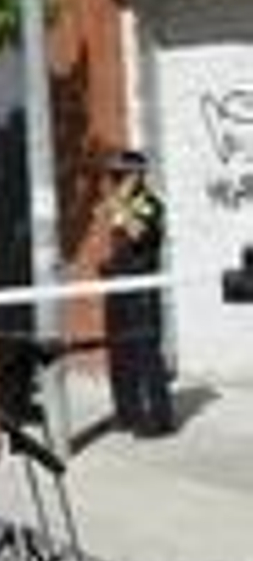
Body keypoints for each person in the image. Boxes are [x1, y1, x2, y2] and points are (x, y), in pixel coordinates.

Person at [101, 148, 172, 438]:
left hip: (141, 286)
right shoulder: (122, 203)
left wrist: (119, 202)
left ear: (137, 175)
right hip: (118, 284)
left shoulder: (150, 204)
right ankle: (127, 412)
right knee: (120, 352)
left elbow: (139, 233)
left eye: (121, 174)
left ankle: (157, 418)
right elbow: (117, 237)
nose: (115, 180)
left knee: (145, 351)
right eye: (113, 175)